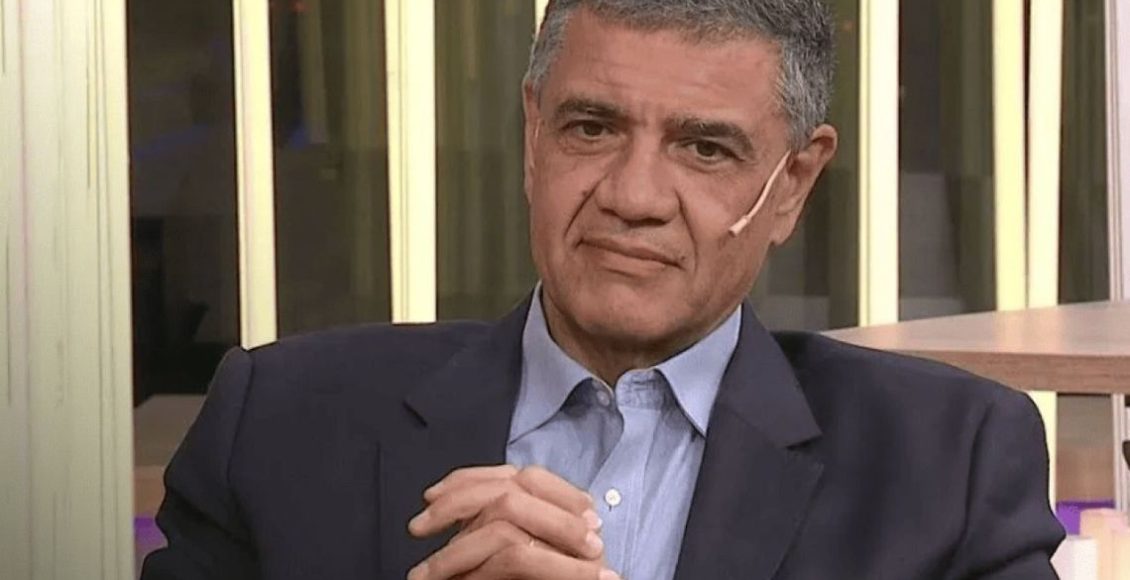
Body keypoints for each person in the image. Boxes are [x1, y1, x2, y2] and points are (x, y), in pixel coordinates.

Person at [141, 1, 1065, 578]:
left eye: (704, 148)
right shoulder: (280, 423)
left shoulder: (950, 462)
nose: (632, 196)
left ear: (792, 184)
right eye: (592, 128)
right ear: (533, 134)